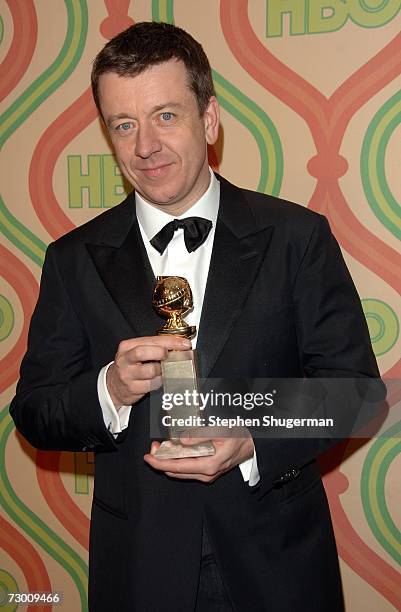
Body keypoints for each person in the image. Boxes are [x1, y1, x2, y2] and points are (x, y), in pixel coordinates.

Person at [10, 21, 382, 612]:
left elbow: (357, 393)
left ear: (208, 120)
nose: (144, 146)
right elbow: (33, 411)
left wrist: (253, 438)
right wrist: (109, 388)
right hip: (138, 566)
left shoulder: (296, 238)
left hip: (277, 563)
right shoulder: (72, 259)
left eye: (165, 116)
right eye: (123, 125)